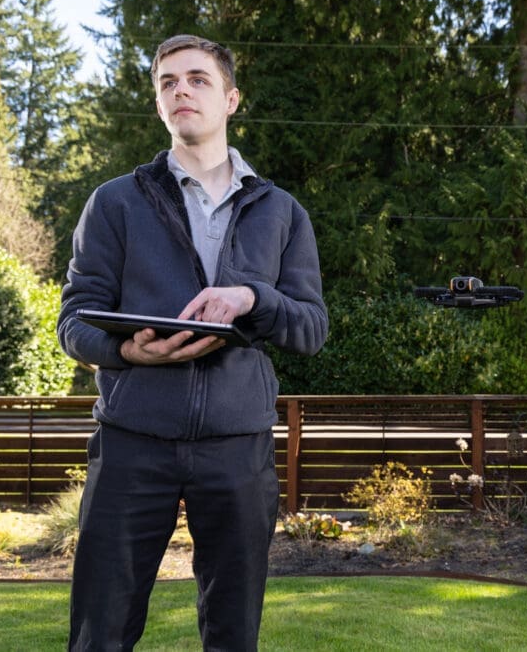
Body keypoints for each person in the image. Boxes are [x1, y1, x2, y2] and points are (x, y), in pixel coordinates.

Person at [57, 34, 328, 651]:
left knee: (233, 634)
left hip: (238, 450)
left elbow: (311, 328)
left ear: (231, 99)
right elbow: (74, 321)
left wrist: (253, 298)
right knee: (100, 632)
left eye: (198, 79)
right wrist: (126, 352)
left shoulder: (281, 212)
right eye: (168, 82)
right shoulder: (114, 203)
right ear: (158, 104)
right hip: (132, 444)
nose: (181, 90)